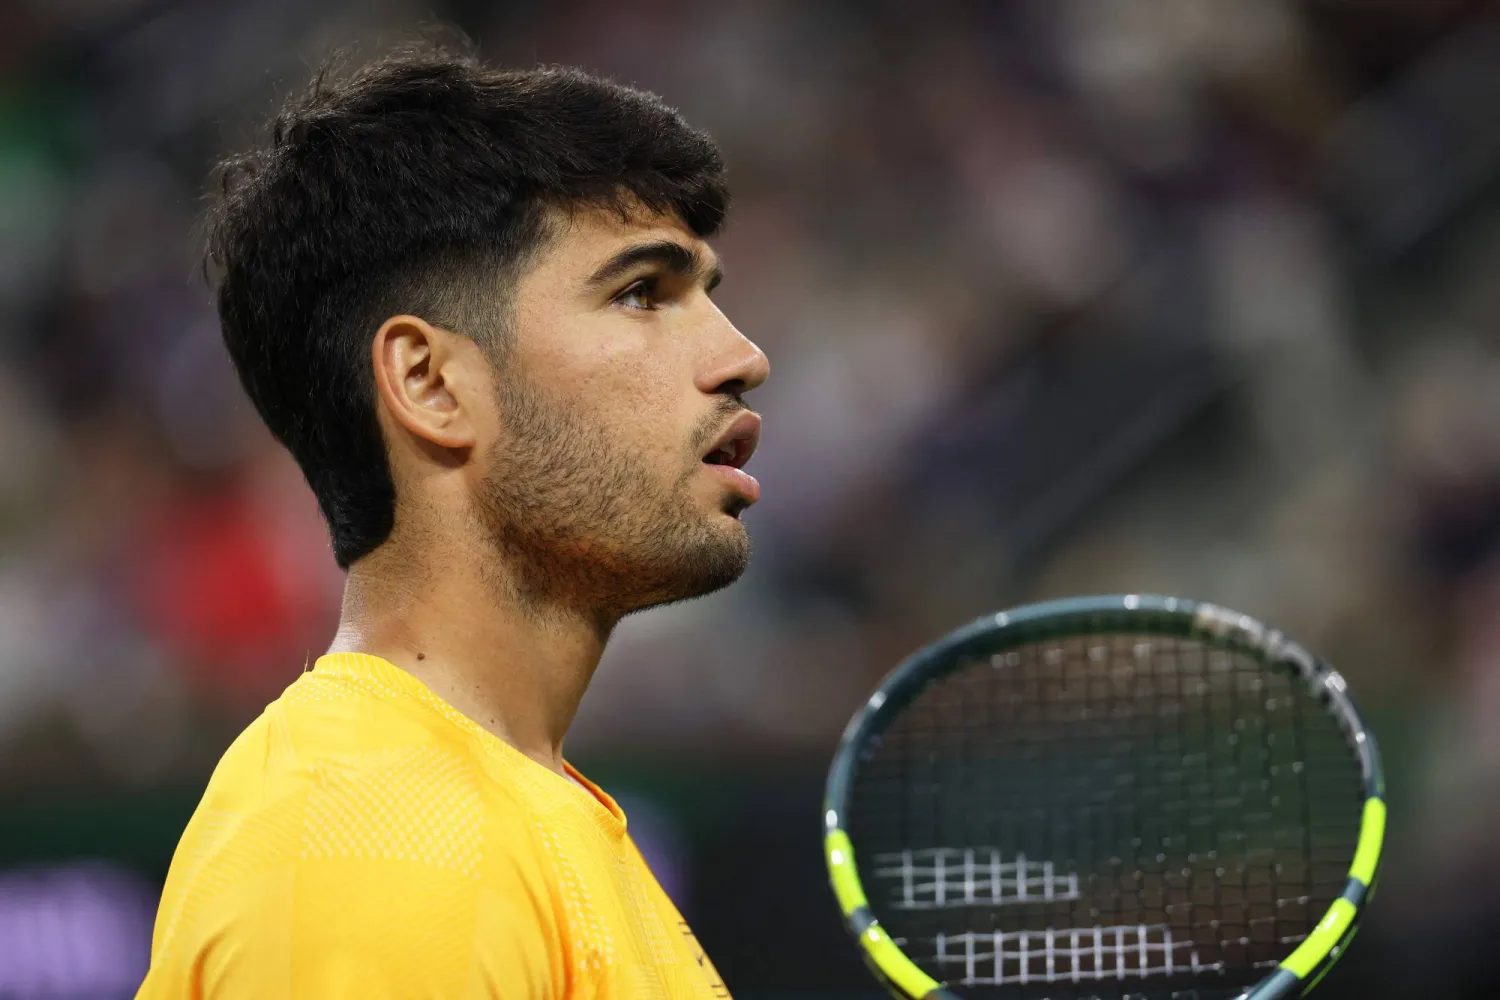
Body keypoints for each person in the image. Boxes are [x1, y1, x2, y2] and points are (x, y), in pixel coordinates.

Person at [136, 40, 768, 999]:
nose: (742, 357)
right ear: (429, 384)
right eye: (642, 292)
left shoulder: (498, 809)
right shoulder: (376, 834)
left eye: (706, 295)